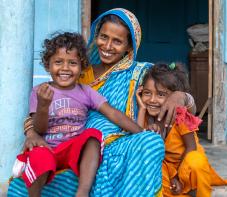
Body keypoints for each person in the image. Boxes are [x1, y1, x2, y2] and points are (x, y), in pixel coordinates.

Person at [8, 8, 194, 197]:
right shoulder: (76, 70)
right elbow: (42, 111)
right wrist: (31, 132)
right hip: (75, 150)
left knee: (151, 142)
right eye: (104, 37)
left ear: (130, 47)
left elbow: (183, 99)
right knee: (23, 185)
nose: (107, 46)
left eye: (117, 41)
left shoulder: (141, 72)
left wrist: (181, 96)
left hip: (119, 147)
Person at [13, 32, 143, 197]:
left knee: (93, 136)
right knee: (38, 156)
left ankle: (82, 192)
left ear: (81, 66)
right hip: (46, 147)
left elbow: (113, 113)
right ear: (48, 65)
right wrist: (43, 106)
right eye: (58, 62)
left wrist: (140, 132)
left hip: (72, 149)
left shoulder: (86, 92)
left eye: (72, 63)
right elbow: (38, 129)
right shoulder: (40, 91)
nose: (65, 68)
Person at [136, 63, 227, 197]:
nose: (152, 100)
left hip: (187, 167)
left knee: (196, 161)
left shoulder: (180, 116)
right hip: (167, 170)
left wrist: (177, 177)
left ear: (173, 98)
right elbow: (137, 138)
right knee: (153, 170)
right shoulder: (145, 117)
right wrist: (142, 109)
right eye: (147, 93)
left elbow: (191, 147)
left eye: (161, 95)